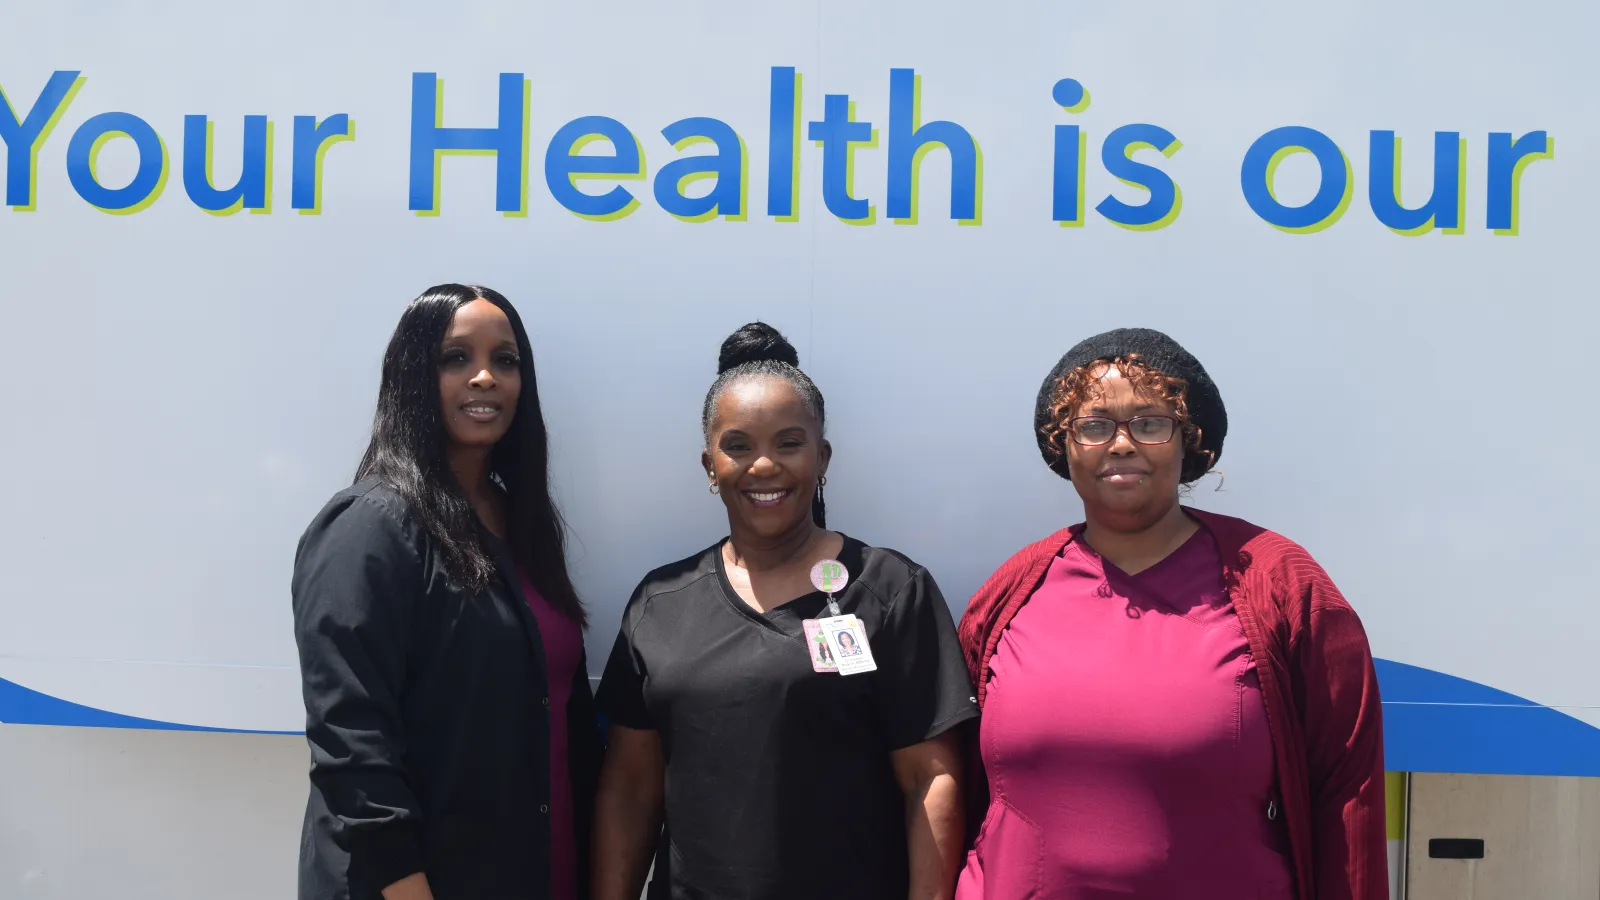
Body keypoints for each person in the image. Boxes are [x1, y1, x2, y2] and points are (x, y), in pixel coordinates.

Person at [955, 328, 1387, 900]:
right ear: (1064, 446)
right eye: (1094, 425)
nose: (1122, 444)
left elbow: (1347, 789)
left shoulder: (1278, 583)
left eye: (1152, 422)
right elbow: (951, 785)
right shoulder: (1013, 589)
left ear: (1190, 441)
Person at [592, 323, 979, 900]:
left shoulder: (892, 591)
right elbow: (630, 789)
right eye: (739, 446)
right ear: (709, 466)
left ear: (822, 458)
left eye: (789, 443)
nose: (764, 466)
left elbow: (931, 779)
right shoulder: (660, 603)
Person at [291, 284, 600, 900]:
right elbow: (353, 746)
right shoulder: (369, 526)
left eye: (505, 361)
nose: (485, 377)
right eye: (455, 357)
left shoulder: (523, 526)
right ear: (411, 376)